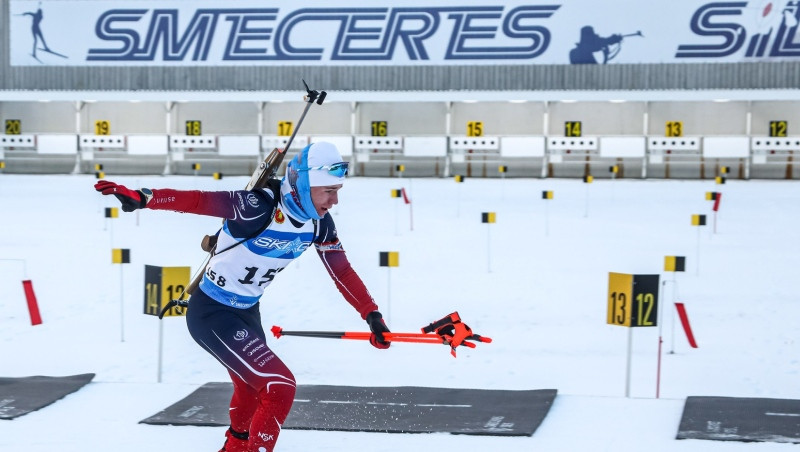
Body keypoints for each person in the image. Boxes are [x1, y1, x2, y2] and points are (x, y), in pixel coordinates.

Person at [95, 141, 391, 452]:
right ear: (304, 185)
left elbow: (341, 271)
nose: (335, 200)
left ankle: (233, 447)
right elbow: (198, 201)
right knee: (279, 387)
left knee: (252, 391)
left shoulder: (319, 224)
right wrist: (145, 198)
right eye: (328, 190)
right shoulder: (257, 206)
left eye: (337, 190)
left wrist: (372, 315)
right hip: (211, 313)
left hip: (248, 313)